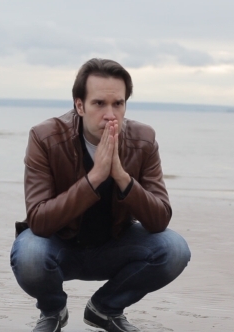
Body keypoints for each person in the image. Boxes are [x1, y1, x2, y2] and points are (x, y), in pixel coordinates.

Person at [10, 58, 191, 332]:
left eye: (118, 104)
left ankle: (105, 309)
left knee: (174, 249)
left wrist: (121, 176)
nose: (110, 114)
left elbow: (159, 220)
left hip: (114, 246)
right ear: (79, 105)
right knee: (29, 252)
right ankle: (53, 311)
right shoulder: (44, 137)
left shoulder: (143, 140)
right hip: (60, 247)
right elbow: (39, 220)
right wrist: (94, 178)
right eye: (99, 104)